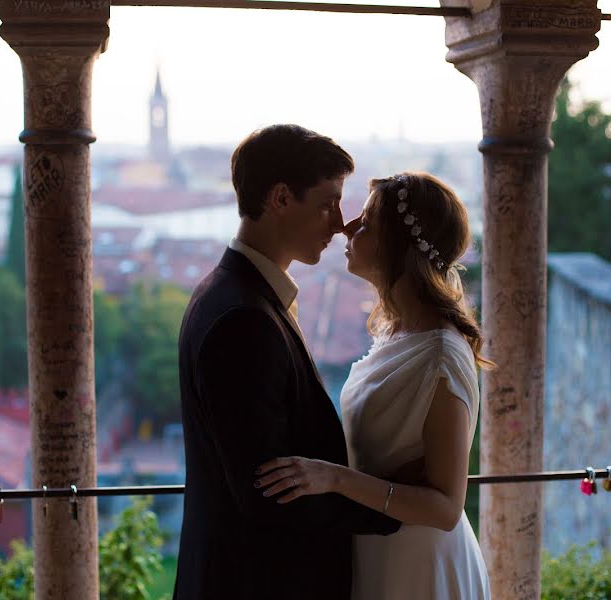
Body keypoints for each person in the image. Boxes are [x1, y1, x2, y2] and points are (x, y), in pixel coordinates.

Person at [173, 124, 400, 600]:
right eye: (327, 202)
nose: (339, 222)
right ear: (279, 198)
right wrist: (391, 505)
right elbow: (269, 494)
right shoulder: (243, 320)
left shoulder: (231, 293)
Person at [256, 172, 492, 600]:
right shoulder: (397, 332)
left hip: (421, 566)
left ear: (397, 245)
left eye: (365, 223)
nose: (347, 227)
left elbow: (445, 507)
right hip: (376, 549)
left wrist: (335, 479)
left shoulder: (442, 355)